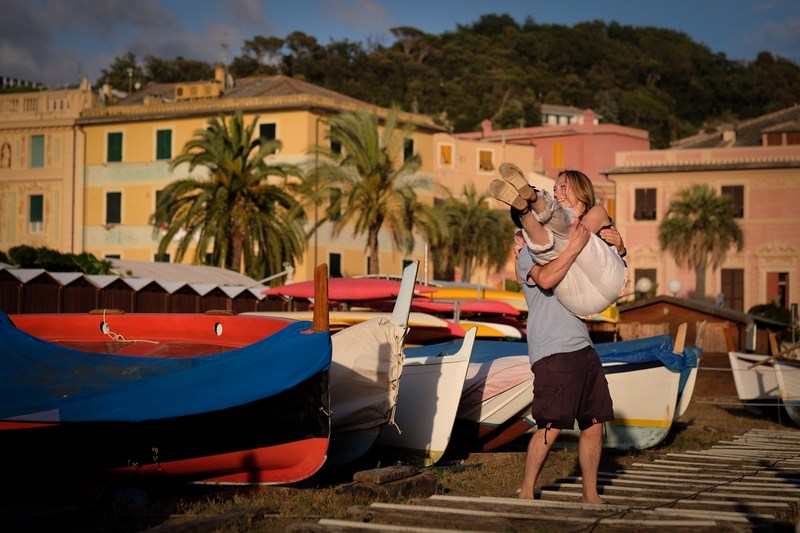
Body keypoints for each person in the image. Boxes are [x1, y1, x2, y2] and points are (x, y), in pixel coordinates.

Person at [514, 214, 624, 504]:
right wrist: (575, 246)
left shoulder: (559, 250)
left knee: (595, 423)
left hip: (584, 347)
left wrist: (619, 248)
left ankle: (590, 494)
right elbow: (548, 279)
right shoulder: (526, 257)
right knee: (551, 424)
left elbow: (601, 269)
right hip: (553, 349)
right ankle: (526, 491)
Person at [490, 163, 627, 317]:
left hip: (608, 282)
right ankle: (526, 211)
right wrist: (525, 243)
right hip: (576, 299)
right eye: (554, 189)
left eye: (563, 187)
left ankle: (533, 201)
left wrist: (621, 249)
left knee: (567, 232)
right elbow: (527, 279)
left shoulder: (598, 212)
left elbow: (574, 236)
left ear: (581, 190)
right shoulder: (531, 244)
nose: (556, 193)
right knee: (548, 247)